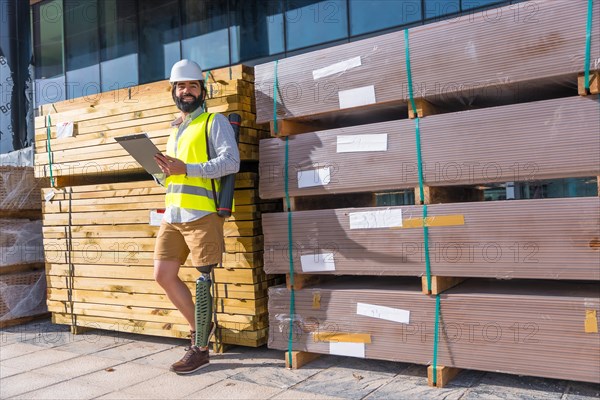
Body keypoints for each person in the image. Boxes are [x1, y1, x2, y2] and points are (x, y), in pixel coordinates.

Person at [152, 59, 240, 374]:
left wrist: (185, 168)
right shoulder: (175, 128)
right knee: (163, 275)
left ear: (201, 90)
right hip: (172, 214)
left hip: (202, 214)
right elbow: (172, 174)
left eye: (192, 85)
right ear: (174, 91)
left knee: (203, 280)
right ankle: (201, 327)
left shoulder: (214, 122)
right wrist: (160, 173)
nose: (186, 91)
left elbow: (231, 162)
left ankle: (199, 348)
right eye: (180, 86)